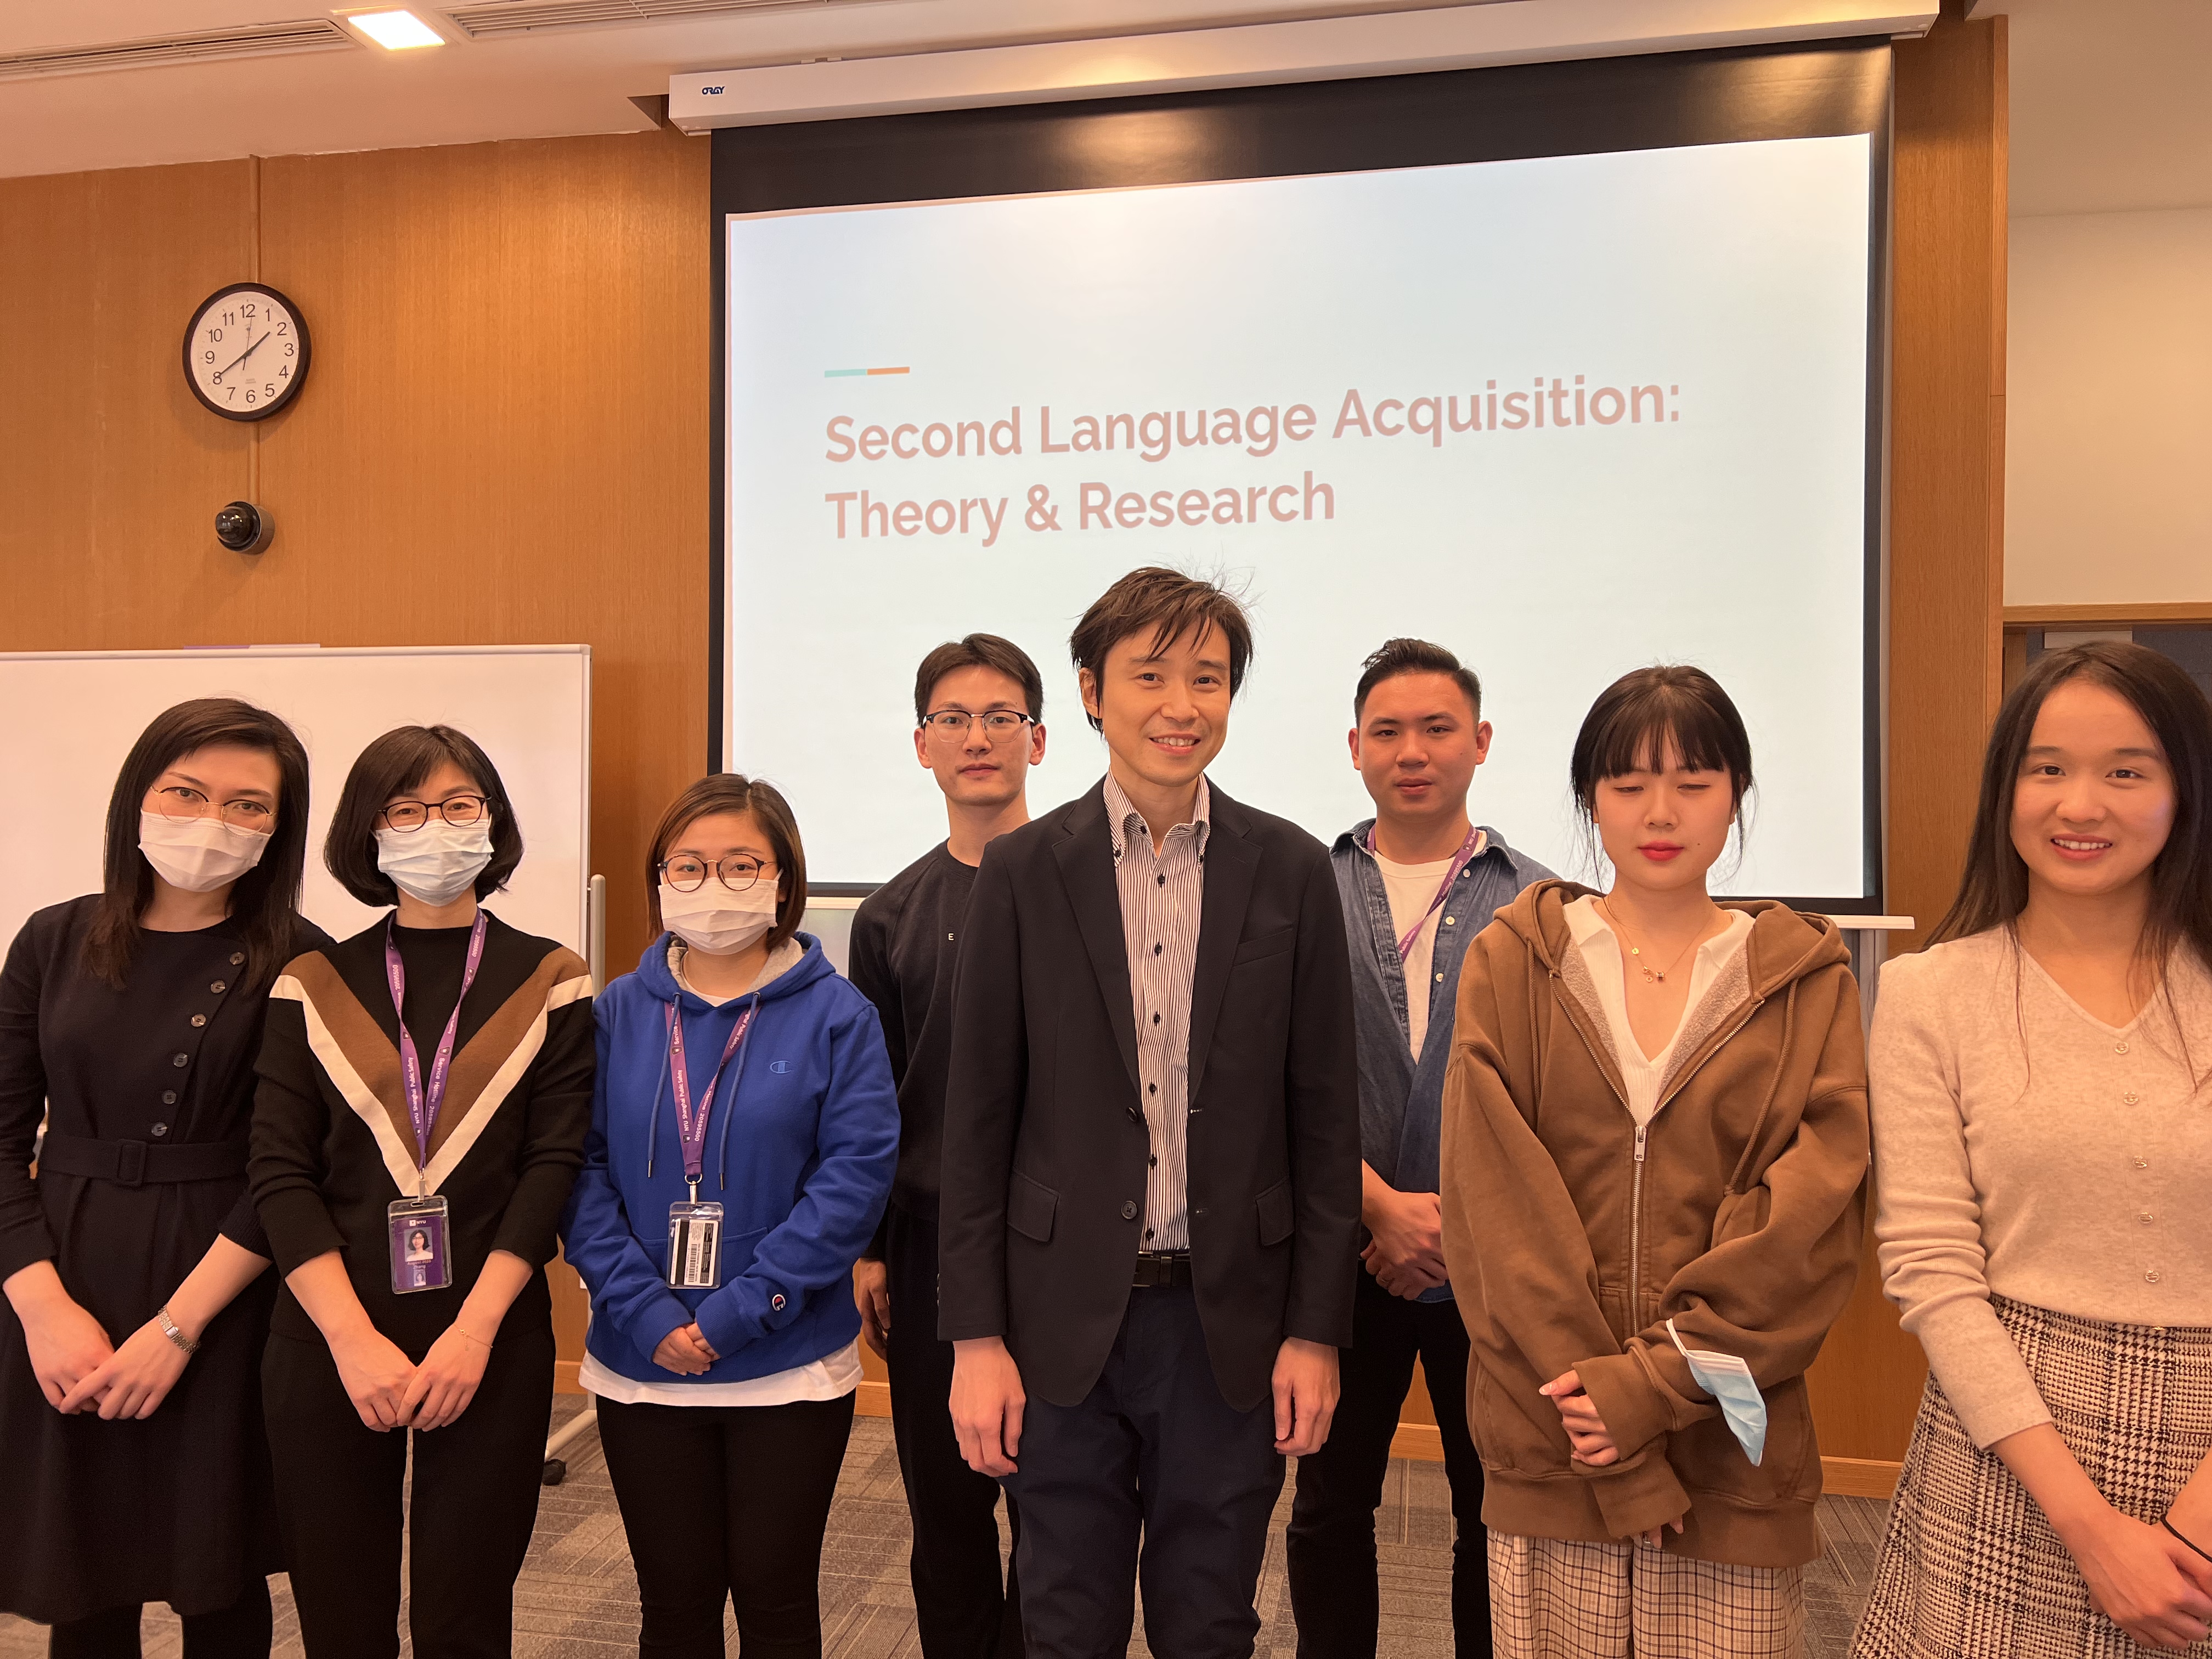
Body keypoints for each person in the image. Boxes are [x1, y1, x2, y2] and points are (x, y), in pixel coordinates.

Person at [939, 566, 1363, 1658]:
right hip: (1055, 1321)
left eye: (1210, 678)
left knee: (1210, 1619)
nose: (1183, 704)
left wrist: (1316, 1330)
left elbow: (1324, 1127)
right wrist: (975, 1338)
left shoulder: (1293, 870)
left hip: (1227, 1325)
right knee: (1063, 1618)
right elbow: (977, 1124)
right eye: (1152, 675)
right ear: (1090, 693)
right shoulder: (1026, 871)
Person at [1440, 664, 1870, 1659]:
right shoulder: (1516, 958)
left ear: (1739, 796)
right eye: (1629, 784)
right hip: (1555, 1442)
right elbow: (1495, 1218)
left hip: (1732, 1447)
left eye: (1695, 780)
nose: (1660, 811)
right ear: (1591, 798)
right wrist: (1607, 1429)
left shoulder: (1806, 982)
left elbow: (1804, 1232)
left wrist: (1653, 1390)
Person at [1853, 641, 2212, 1658]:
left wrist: (2195, 1525)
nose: (2079, 805)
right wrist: (2089, 1528)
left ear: (2186, 790)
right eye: (2046, 768)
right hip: (2011, 1451)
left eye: (2126, 772)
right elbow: (1930, 1267)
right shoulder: (1933, 993)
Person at [249, 725, 594, 1659]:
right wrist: (352, 1340)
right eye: (405, 810)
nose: (432, 828)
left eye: (457, 806)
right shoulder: (311, 981)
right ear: (369, 832)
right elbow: (279, 1172)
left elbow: (552, 1167)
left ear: (492, 822)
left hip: (490, 1337)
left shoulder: (553, 977)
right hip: (328, 1339)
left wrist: (475, 1334)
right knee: (340, 1614)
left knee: (466, 1614)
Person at [0, 698, 325, 1658]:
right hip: (62, 1269)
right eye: (186, 793)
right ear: (136, 797)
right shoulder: (52, 939)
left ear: (280, 828)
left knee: (214, 1573)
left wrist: (180, 1330)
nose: (211, 822)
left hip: (224, 1280)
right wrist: (42, 1306)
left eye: (248, 805)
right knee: (81, 1572)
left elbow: (289, 1168)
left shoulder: (304, 959)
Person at [561, 774, 898, 1658]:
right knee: (673, 1605)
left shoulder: (839, 1016)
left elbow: (854, 1179)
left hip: (785, 1362)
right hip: (643, 1360)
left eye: (741, 865)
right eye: (691, 865)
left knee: (776, 1600)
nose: (714, 886)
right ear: (660, 879)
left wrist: (739, 1312)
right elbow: (579, 1172)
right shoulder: (613, 1015)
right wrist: (645, 1312)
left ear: (784, 879)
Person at [1286, 639, 1555, 1658]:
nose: (1413, 751)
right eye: (1388, 731)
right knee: (1326, 1506)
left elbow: (1554, 1103)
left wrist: (1451, 1220)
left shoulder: (1545, 905)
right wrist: (1376, 1207)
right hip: (1339, 1254)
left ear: (1480, 743)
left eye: (1438, 728)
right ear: (1355, 748)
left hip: (1488, 1265)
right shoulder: (1298, 891)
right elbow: (1267, 1083)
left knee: (1494, 1516)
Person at [849, 636, 1045, 1658]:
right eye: (954, 719)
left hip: (1062, 1247)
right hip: (928, 1249)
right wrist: (874, 1247)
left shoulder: (1085, 887)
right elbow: (878, 1099)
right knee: (949, 1514)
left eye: (1002, 716)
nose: (978, 738)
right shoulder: (888, 916)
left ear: (1042, 740)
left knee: (1061, 1513)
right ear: (922, 744)